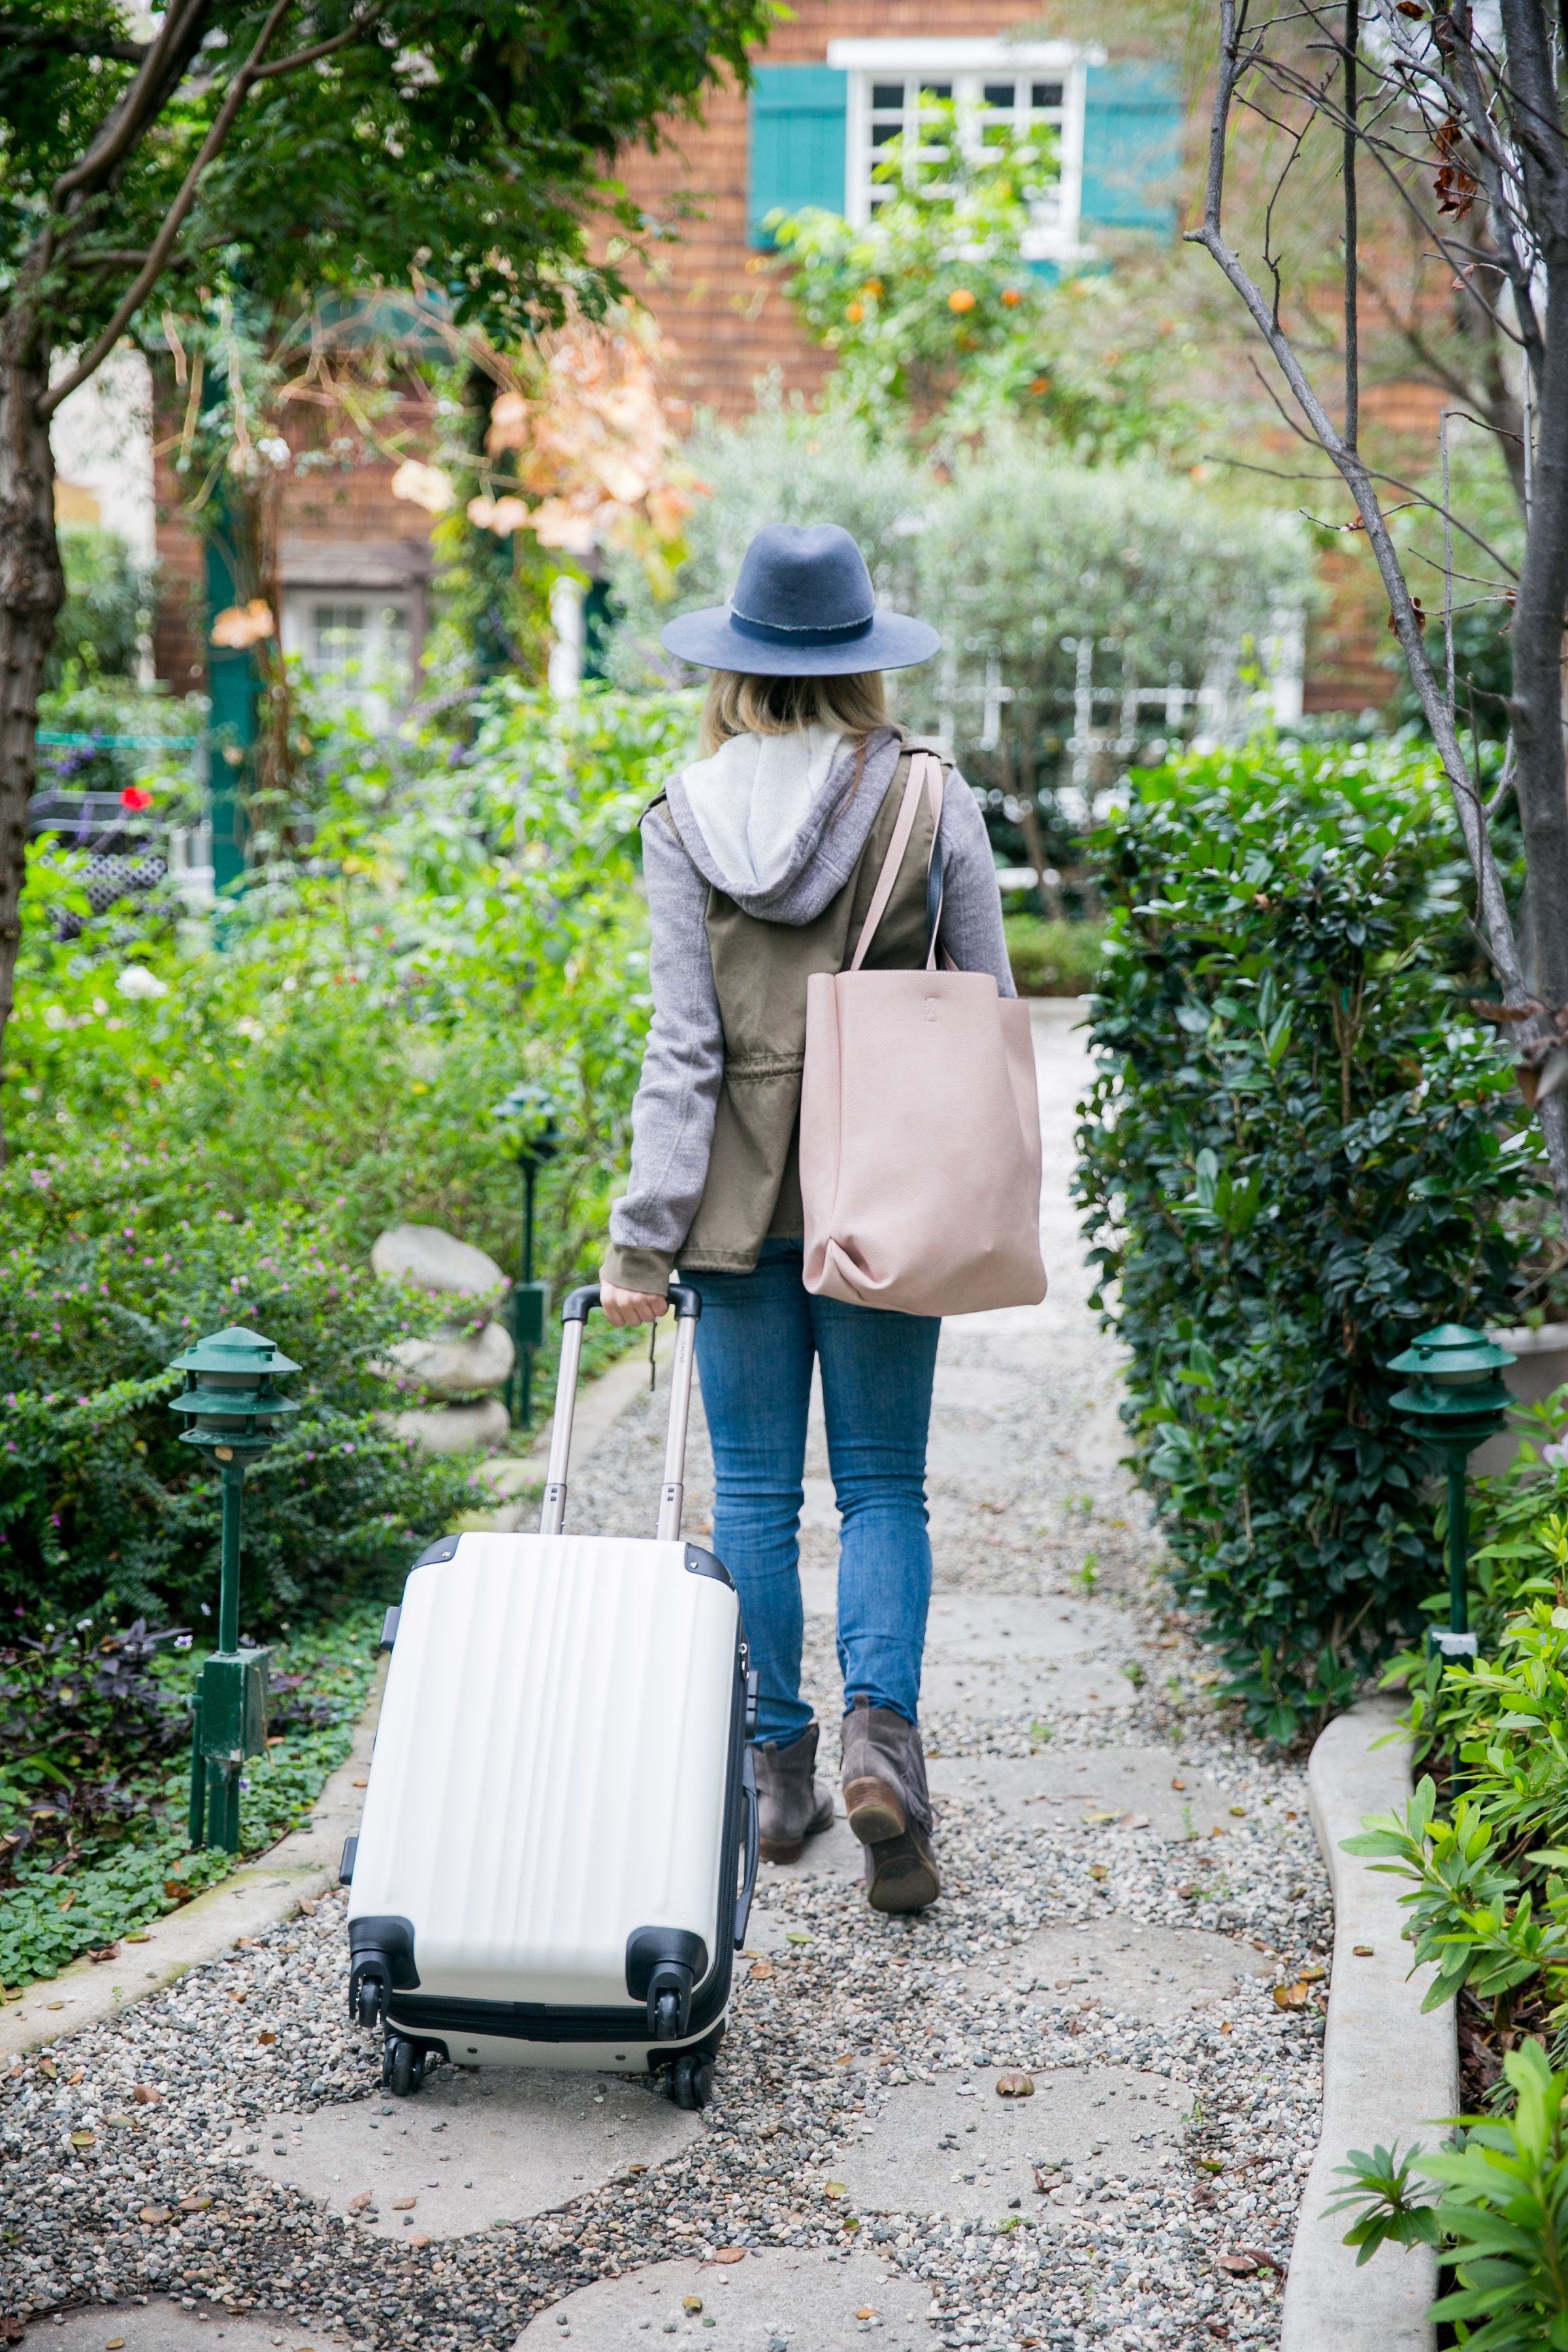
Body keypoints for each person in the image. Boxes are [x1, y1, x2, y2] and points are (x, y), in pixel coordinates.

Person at [599, 522, 1015, 1915]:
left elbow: (683, 1053)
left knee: (759, 1495)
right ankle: (878, 1745)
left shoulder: (680, 816)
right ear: (863, 663)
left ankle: (778, 1771)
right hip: (890, 1193)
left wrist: (640, 1241)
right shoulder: (930, 799)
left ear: (734, 664)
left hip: (734, 1204)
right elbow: (983, 1010)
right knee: (885, 1483)